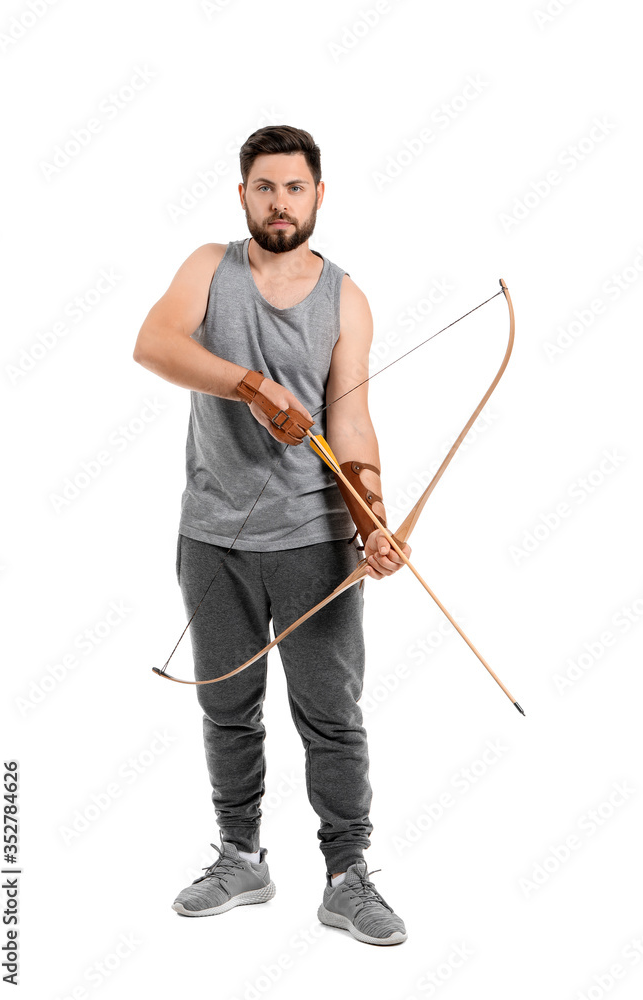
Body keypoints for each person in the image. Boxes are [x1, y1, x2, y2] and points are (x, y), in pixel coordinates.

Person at [133, 125, 411, 946]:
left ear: (318, 196)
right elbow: (153, 345)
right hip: (213, 533)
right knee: (227, 707)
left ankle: (347, 874)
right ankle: (240, 856)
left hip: (313, 539)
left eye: (294, 188)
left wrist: (373, 522)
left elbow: (351, 420)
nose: (279, 203)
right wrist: (251, 385)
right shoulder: (207, 269)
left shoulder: (345, 299)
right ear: (243, 195)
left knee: (331, 713)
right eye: (265, 188)